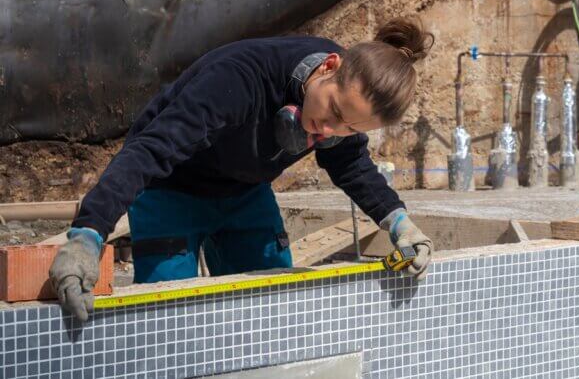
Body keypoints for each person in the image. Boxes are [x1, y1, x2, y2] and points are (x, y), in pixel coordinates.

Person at [49, 18, 435, 321]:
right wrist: (89, 234)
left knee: (271, 308)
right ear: (328, 67)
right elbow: (151, 150)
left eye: (349, 128)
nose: (330, 130)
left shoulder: (347, 97)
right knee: (167, 317)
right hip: (170, 187)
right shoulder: (239, 80)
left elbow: (350, 161)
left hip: (245, 191)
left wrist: (398, 221)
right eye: (333, 112)